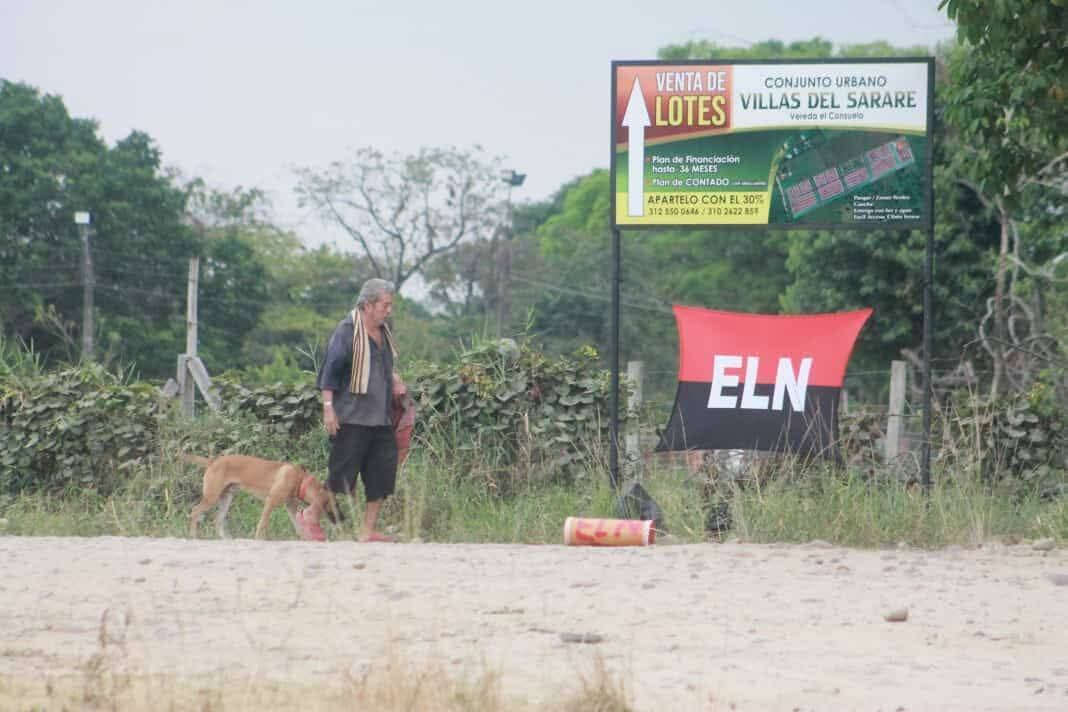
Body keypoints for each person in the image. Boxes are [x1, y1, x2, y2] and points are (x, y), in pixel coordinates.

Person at [299, 278, 406, 543]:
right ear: (368, 305)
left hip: (380, 415)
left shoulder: (384, 329)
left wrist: (394, 379)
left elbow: (383, 362)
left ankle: (367, 530)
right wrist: (328, 409)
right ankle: (310, 515)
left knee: (382, 473)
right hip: (352, 415)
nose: (389, 310)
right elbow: (330, 372)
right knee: (342, 474)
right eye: (385, 305)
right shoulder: (346, 331)